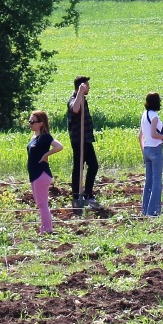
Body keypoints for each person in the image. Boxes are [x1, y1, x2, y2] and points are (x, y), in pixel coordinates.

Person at [27, 110, 63, 233]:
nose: (30, 124)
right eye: (29, 121)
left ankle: (47, 229)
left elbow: (59, 146)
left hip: (41, 173)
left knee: (42, 204)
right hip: (34, 174)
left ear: (41, 123)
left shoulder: (45, 137)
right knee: (40, 203)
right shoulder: (34, 137)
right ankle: (44, 227)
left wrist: (46, 155)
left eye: (33, 121)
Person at [66, 77, 99, 209]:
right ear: (82, 86)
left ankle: (88, 193)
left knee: (93, 165)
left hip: (86, 139)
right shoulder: (74, 98)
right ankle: (76, 196)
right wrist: (80, 92)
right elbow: (75, 109)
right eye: (87, 85)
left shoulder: (83, 99)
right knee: (79, 167)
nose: (89, 87)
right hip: (78, 139)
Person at [140, 92, 163, 217]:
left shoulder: (144, 115)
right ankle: (153, 211)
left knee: (148, 181)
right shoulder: (154, 116)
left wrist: (143, 151)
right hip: (155, 149)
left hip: (147, 149)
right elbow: (154, 134)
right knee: (156, 181)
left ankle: (145, 210)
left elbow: (140, 136)